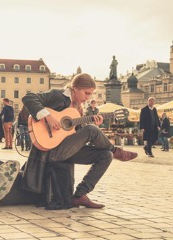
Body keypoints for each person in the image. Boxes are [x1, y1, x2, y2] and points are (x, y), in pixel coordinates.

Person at [22, 73, 138, 209]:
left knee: (106, 155)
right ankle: (117, 151)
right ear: (75, 88)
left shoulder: (78, 109)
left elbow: (77, 134)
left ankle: (80, 195)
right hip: (52, 151)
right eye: (86, 93)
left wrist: (95, 125)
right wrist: (48, 117)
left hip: (67, 150)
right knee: (91, 130)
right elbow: (28, 98)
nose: (88, 98)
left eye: (90, 94)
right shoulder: (58, 95)